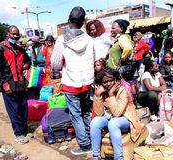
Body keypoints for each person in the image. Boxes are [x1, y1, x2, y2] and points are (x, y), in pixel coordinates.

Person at [51, 6, 95, 155]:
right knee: (85, 112)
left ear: (68, 21)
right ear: (83, 22)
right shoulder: (89, 39)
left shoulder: (61, 40)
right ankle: (93, 140)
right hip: (87, 82)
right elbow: (93, 60)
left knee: (76, 115)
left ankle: (84, 145)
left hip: (71, 83)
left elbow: (56, 64)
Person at [91, 69, 142, 160]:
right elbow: (99, 113)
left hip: (126, 119)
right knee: (95, 122)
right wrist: (98, 95)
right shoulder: (102, 91)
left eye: (111, 80)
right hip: (110, 117)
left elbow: (117, 113)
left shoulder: (122, 90)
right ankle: (96, 155)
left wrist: (111, 95)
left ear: (115, 80)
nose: (109, 84)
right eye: (105, 82)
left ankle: (118, 157)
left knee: (113, 123)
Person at [0, 25, 31, 144]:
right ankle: (19, 134)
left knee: (24, 109)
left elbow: (28, 60)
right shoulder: (0, 48)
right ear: (8, 34)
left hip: (21, 84)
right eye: (13, 34)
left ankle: (24, 130)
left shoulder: (20, 48)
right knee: (14, 110)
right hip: (9, 85)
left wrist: (26, 65)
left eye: (17, 34)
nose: (15, 36)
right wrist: (4, 83)